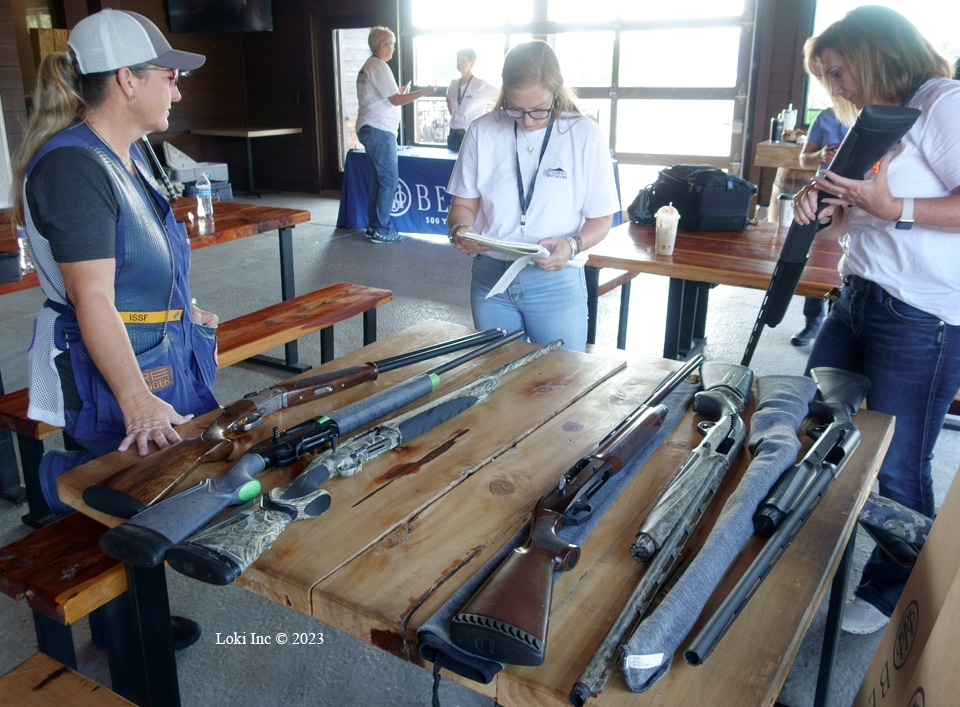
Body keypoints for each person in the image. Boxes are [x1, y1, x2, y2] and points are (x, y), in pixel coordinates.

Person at [10, 8, 216, 649]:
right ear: (127, 80)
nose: (177, 88)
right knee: (112, 486)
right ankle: (121, 631)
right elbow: (93, 297)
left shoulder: (125, 152)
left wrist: (186, 307)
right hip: (109, 366)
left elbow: (140, 256)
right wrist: (135, 398)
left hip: (151, 344)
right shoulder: (74, 168)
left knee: (148, 483)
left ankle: (135, 611)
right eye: (168, 76)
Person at [793, 6, 960, 635]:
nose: (835, 88)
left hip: (921, 316)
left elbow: (904, 206)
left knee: (896, 462)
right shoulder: (879, 122)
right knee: (818, 428)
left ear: (873, 53)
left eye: (838, 71)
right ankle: (816, 557)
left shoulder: (942, 102)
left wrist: (894, 207)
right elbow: (859, 220)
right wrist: (828, 203)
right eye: (828, 78)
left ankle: (896, 589)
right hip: (858, 299)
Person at [446, 41, 620, 352]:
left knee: (559, 385)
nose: (527, 120)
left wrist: (572, 244)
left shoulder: (584, 136)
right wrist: (460, 230)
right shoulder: (482, 130)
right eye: (516, 108)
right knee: (497, 381)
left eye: (539, 110)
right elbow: (462, 206)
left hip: (555, 280)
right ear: (504, 93)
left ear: (557, 92)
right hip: (491, 277)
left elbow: (602, 219)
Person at [356, 26, 437, 244]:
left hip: (368, 128)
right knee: (389, 181)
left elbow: (384, 98)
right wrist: (424, 92)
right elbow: (395, 100)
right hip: (380, 130)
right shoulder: (379, 66)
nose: (393, 49)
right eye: (391, 45)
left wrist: (400, 93)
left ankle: (374, 227)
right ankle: (383, 229)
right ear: (382, 45)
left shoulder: (367, 67)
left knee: (378, 181)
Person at [790, 106, 850, 347]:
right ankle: (812, 323)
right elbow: (805, 159)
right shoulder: (825, 117)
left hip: (859, 197)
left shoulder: (875, 111)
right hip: (824, 194)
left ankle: (838, 323)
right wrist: (822, 156)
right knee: (816, 259)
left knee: (847, 262)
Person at [445, 48, 498, 152]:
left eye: (463, 60)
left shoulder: (480, 85)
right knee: (450, 166)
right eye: (458, 60)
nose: (459, 63)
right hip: (453, 134)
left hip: (470, 135)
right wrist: (454, 115)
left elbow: (502, 97)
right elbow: (448, 99)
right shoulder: (454, 84)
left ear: (472, 63)